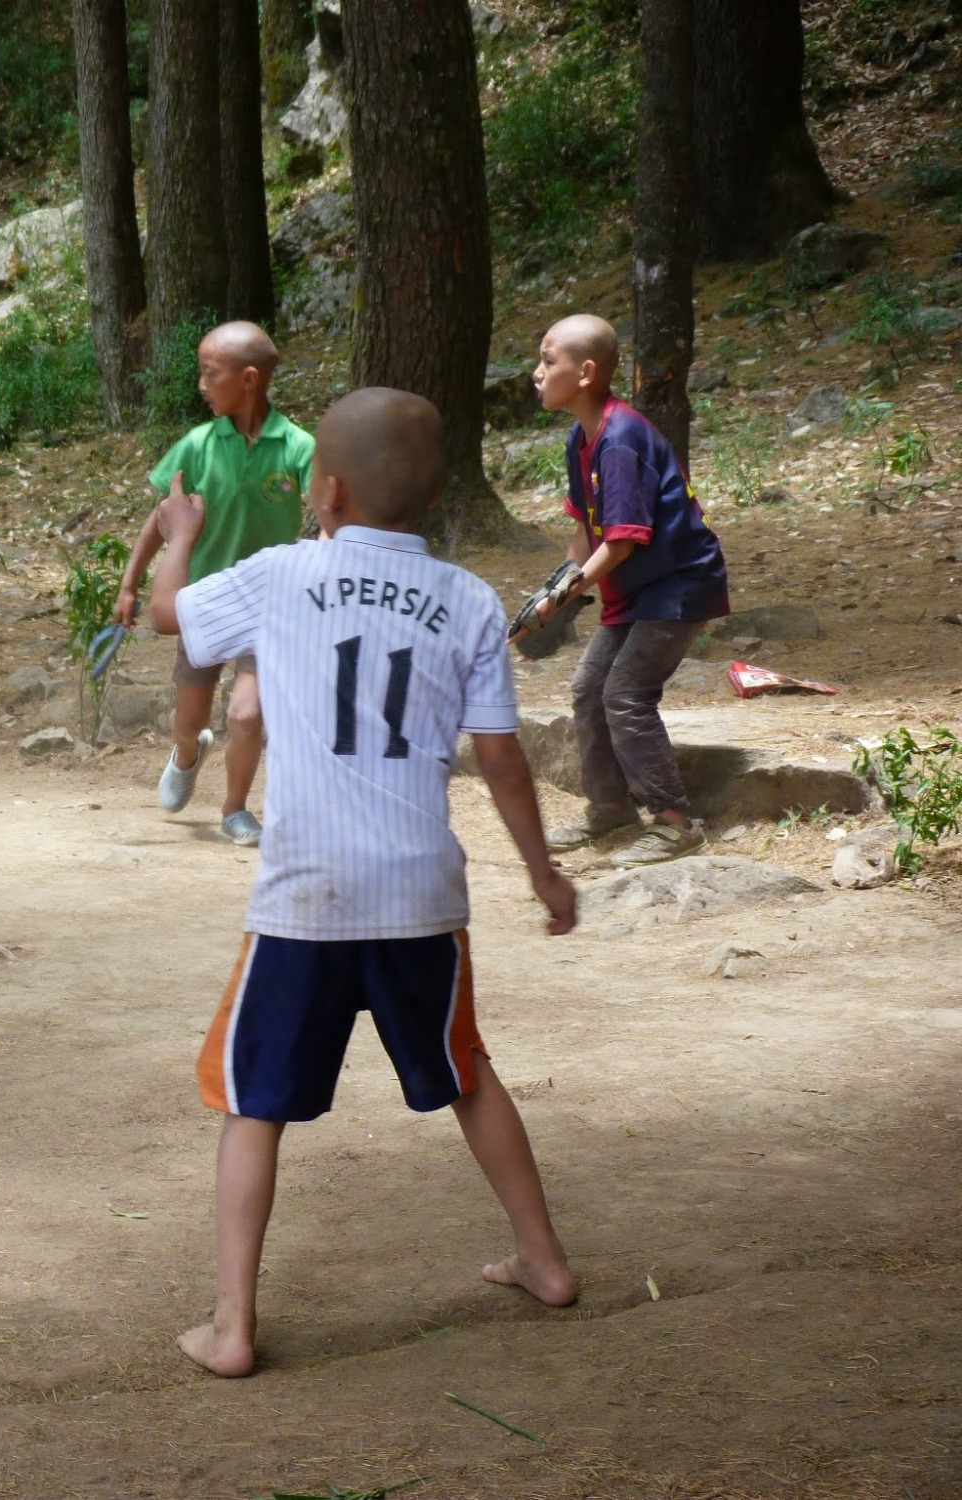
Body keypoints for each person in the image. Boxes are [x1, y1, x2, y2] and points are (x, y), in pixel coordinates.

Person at [148, 387, 580, 1379]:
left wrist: (180, 536)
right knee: (465, 1073)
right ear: (434, 496)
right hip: (419, 893)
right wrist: (542, 874)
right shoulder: (469, 601)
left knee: (254, 1103)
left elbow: (172, 615)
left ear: (327, 490)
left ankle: (231, 1327)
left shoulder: (280, 574)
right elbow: (501, 759)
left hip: (306, 897)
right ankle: (545, 1261)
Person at [520, 314, 730, 867]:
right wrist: (551, 592)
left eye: (548, 360)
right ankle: (610, 807)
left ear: (586, 373)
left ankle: (676, 822)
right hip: (636, 591)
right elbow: (585, 533)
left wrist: (564, 598)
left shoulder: (619, 440)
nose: (536, 372)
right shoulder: (581, 438)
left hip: (677, 586)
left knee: (625, 693)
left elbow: (622, 542)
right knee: (589, 688)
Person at [114, 322, 313, 846]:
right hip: (204, 603)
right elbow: (161, 518)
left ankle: (235, 809)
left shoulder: (298, 447)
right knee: (189, 720)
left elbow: (330, 508)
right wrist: (130, 584)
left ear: (249, 379)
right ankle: (187, 752)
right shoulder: (198, 445)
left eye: (210, 374)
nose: (202, 386)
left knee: (247, 713)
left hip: (271, 607)